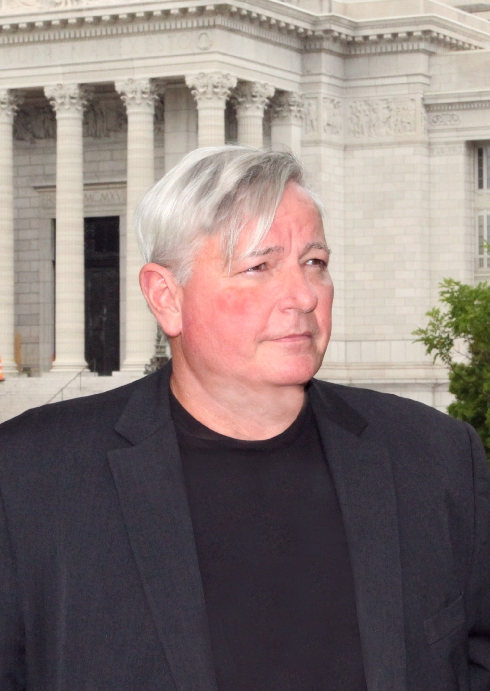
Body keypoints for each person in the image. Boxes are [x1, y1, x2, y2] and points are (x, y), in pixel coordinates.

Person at [0, 146, 489, 691]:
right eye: (259, 266)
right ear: (166, 297)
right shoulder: (29, 477)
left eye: (315, 263)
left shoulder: (437, 458)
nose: (303, 296)